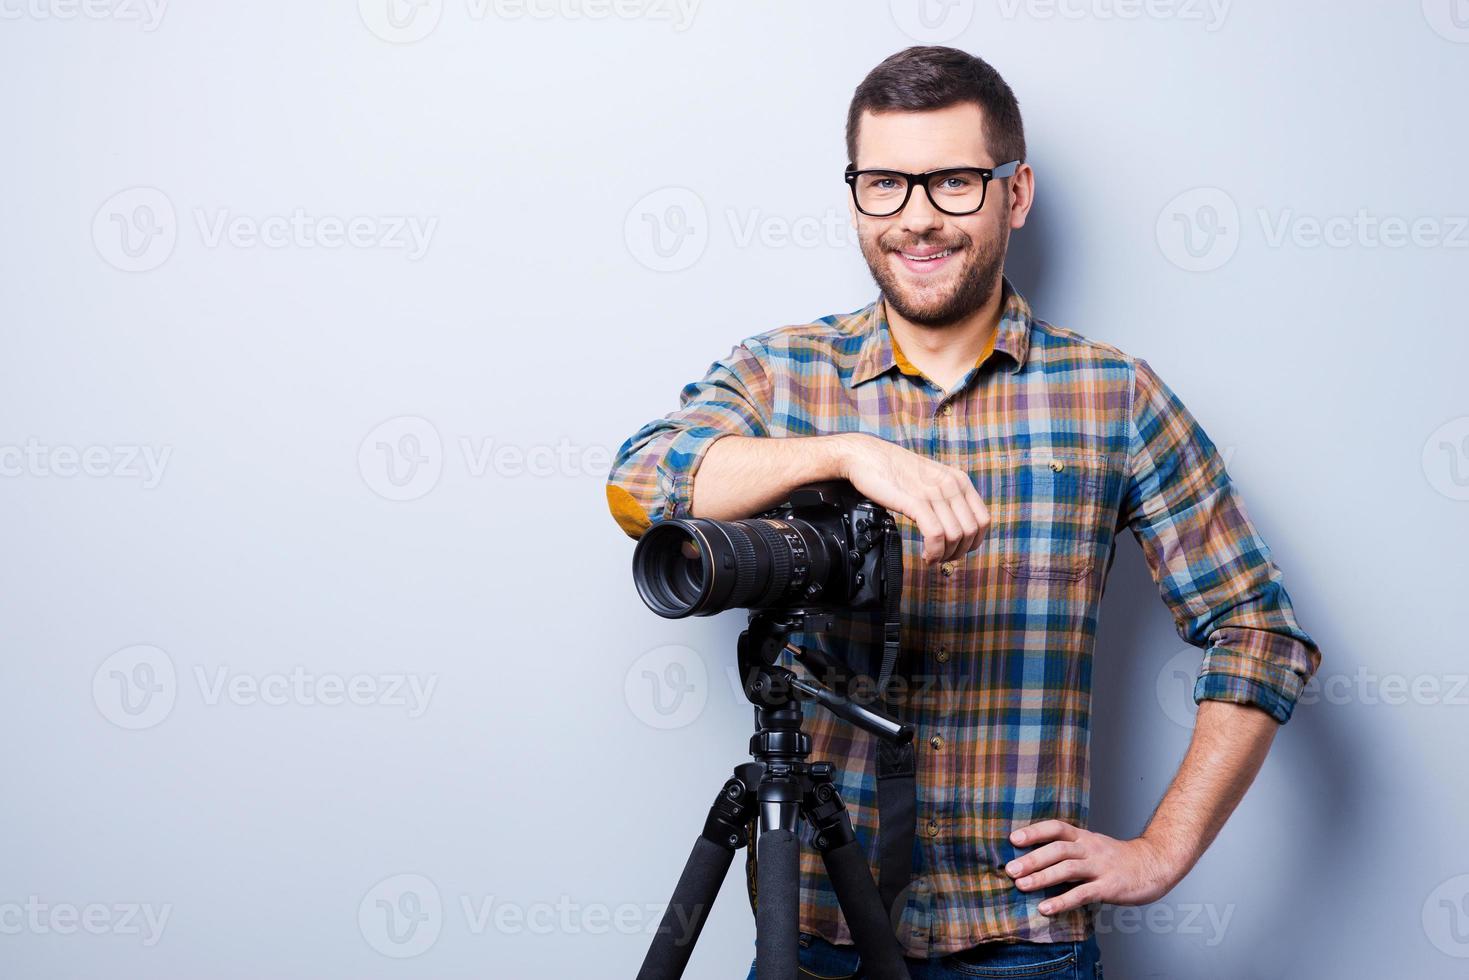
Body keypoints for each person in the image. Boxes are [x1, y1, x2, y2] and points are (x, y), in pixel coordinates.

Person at [605, 45, 1321, 980]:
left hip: (1023, 944)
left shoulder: (1112, 396)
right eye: (884, 184)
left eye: (951, 182)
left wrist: (1160, 851)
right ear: (853, 191)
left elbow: (1258, 632)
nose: (915, 219)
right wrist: (846, 456)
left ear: (1013, 194)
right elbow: (636, 487)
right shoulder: (782, 373)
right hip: (819, 938)